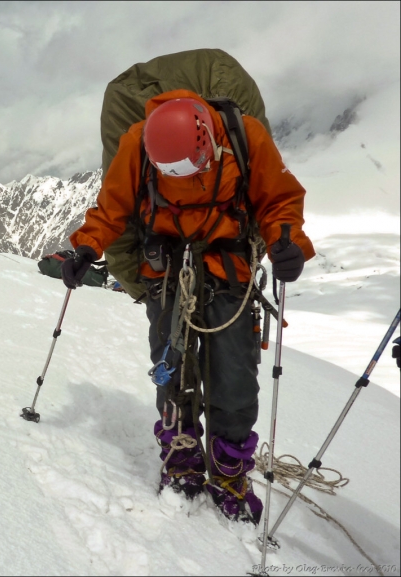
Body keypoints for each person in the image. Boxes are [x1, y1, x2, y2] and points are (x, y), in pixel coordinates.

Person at [62, 90, 315, 524]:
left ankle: (229, 468)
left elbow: (278, 198)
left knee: (234, 375)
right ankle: (181, 453)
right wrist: (86, 247)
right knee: (170, 365)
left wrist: (287, 242)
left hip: (228, 264)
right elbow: (115, 203)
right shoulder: (138, 143)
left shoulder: (243, 136)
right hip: (168, 267)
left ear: (207, 141)